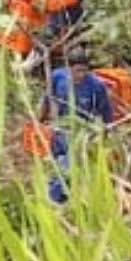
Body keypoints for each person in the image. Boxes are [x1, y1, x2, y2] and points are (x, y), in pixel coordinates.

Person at [38, 51, 114, 205]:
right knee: (56, 162)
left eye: (84, 71)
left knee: (68, 165)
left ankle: (58, 200)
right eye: (78, 71)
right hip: (59, 128)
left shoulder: (96, 86)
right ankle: (58, 197)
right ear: (69, 68)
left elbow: (106, 112)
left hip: (80, 132)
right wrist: (40, 120)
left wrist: (106, 132)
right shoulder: (58, 77)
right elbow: (48, 98)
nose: (81, 75)